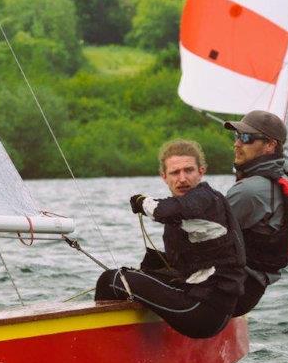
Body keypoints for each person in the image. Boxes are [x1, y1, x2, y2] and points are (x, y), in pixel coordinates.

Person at [94, 140, 246, 339]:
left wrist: (141, 202)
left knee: (111, 279)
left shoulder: (205, 199)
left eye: (189, 170)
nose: (182, 178)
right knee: (147, 269)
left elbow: (166, 210)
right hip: (213, 309)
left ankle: (102, 347)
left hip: (203, 312)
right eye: (175, 173)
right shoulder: (193, 205)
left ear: (201, 171)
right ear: (164, 177)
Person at [224, 110, 288, 317]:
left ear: (270, 145)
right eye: (237, 136)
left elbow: (201, 235)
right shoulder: (285, 180)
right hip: (250, 291)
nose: (237, 144)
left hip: (229, 295)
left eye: (246, 138)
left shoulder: (249, 191)